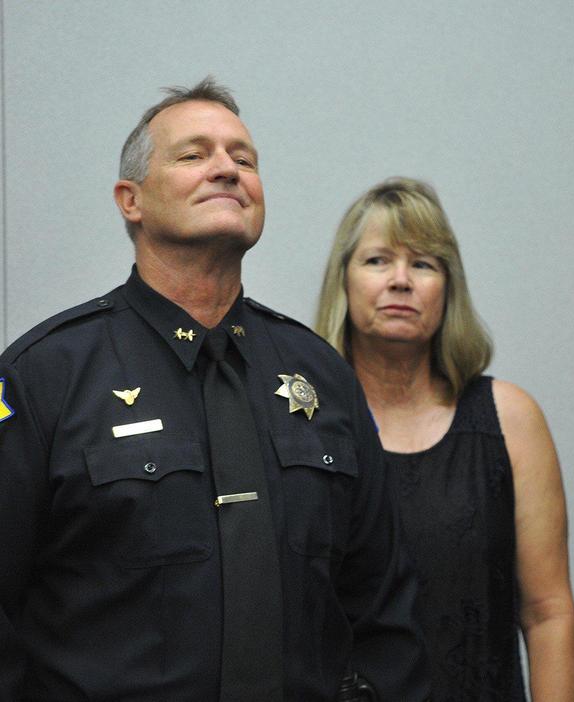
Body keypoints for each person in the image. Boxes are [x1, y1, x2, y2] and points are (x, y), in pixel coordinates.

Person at [0, 78, 429, 700]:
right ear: (131, 200)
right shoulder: (44, 375)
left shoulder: (323, 376)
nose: (227, 169)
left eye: (244, 158)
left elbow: (385, 609)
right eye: (194, 155)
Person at [315, 177, 574, 701]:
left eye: (423, 264)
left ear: (447, 289)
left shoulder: (509, 418)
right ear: (342, 282)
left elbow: (548, 614)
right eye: (376, 260)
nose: (400, 280)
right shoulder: (307, 421)